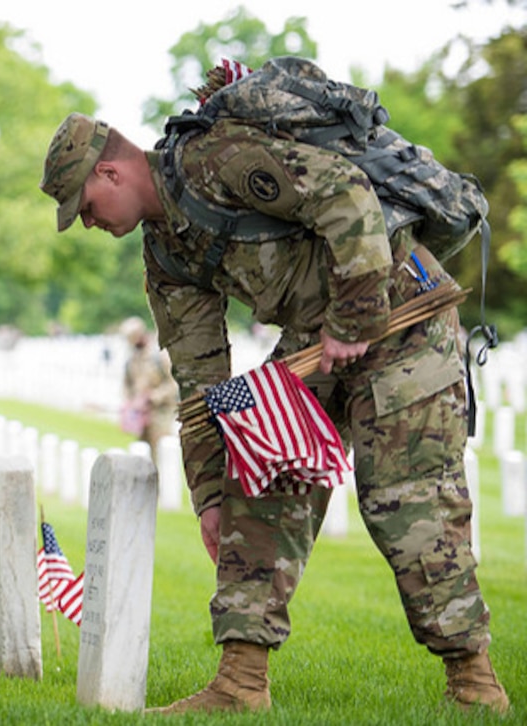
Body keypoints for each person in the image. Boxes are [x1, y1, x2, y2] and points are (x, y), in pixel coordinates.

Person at [38, 91, 508, 713]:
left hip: (397, 312)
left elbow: (346, 195)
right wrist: (210, 496)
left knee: (407, 500)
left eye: (88, 207)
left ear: (111, 171)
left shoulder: (219, 163)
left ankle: (475, 684)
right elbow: (201, 385)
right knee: (259, 476)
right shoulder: (164, 255)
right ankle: (240, 684)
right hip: (319, 336)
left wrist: (355, 315)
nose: (91, 224)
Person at [118, 316, 178, 463]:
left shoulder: (159, 356)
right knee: (143, 454)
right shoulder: (131, 359)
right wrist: (131, 402)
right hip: (140, 415)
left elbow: (174, 383)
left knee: (161, 453)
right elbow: (127, 384)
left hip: (160, 412)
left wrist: (155, 396)